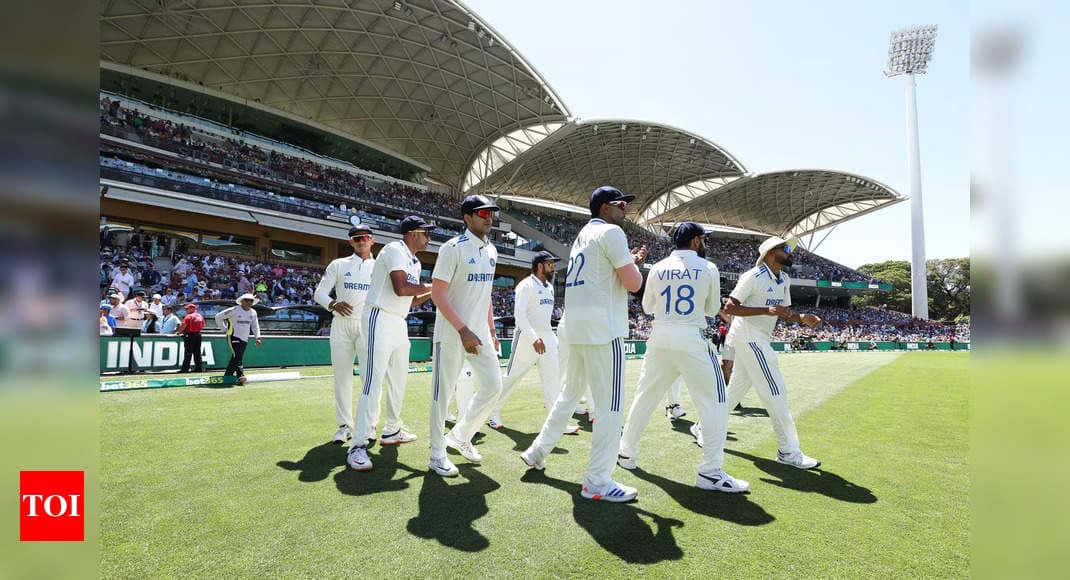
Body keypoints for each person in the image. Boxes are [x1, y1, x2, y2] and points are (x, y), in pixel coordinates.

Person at [521, 186, 647, 503]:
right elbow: (634, 284)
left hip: (575, 326)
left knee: (569, 395)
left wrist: (626, 263)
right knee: (610, 406)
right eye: (620, 204)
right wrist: (635, 265)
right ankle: (597, 481)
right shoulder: (612, 233)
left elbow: (604, 274)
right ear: (605, 208)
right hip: (602, 328)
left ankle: (537, 451)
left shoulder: (583, 236)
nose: (625, 210)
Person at [617, 222, 747, 492]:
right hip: (691, 336)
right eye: (703, 239)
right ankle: (710, 472)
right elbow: (712, 310)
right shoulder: (708, 268)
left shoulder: (659, 267)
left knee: (645, 397)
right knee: (716, 401)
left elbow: (647, 306)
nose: (704, 243)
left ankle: (626, 452)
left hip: (660, 336)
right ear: (696, 241)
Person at [693, 236, 823, 470]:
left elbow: (783, 312)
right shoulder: (753, 276)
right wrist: (766, 309)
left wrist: (801, 318)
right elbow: (729, 307)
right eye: (785, 248)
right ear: (771, 253)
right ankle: (788, 451)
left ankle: (702, 426)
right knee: (776, 392)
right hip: (748, 338)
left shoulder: (784, 278)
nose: (789, 251)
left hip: (759, 338)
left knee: (733, 393)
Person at [426, 195, 506, 478]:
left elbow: (485, 295)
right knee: (442, 394)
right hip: (451, 332)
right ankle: (437, 454)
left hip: (480, 334)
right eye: (482, 212)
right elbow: (437, 293)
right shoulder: (452, 248)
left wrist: (492, 330)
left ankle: (460, 436)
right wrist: (463, 329)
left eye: (491, 212)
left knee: (494, 386)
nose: (488, 217)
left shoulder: (492, 251)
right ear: (467, 217)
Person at [346, 217, 433, 471]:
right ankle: (357, 446)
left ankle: (392, 430)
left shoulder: (414, 261)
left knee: (399, 379)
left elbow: (412, 300)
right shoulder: (395, 249)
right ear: (412, 234)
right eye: (425, 232)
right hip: (379, 317)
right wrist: (433, 287)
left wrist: (433, 292)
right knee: (372, 382)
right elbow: (400, 288)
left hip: (398, 321)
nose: (428, 237)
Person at [488, 251, 579, 435]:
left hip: (547, 338)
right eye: (550, 264)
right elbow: (519, 315)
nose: (553, 268)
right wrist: (534, 338)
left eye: (553, 264)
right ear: (539, 266)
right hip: (526, 339)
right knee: (512, 378)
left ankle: (557, 423)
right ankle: (492, 412)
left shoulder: (550, 287)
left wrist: (546, 338)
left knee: (553, 381)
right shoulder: (526, 285)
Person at [314, 225, 378, 445]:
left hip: (368, 326)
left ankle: (369, 426)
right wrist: (332, 304)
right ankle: (344, 426)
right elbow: (319, 293)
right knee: (342, 378)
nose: (361, 241)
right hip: (341, 325)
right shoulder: (339, 265)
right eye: (356, 238)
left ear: (372, 240)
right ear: (351, 242)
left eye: (365, 237)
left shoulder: (380, 267)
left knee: (370, 379)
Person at [215, 293, 262, 385]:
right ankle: (240, 375)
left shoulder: (253, 312)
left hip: (245, 338)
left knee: (235, 357)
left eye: (251, 301)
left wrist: (258, 337)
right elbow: (218, 317)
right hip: (233, 335)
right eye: (247, 300)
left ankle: (227, 377)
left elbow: (255, 326)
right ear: (241, 301)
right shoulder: (234, 310)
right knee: (238, 356)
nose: (249, 302)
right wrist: (224, 329)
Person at [177, 303, 206, 373]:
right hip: (198, 335)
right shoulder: (200, 316)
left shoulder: (188, 316)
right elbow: (203, 325)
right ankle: (199, 368)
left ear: (193, 309)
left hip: (189, 335)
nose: (186, 310)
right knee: (197, 352)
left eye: (187, 309)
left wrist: (179, 332)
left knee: (188, 353)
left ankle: (185, 369)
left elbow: (183, 325)